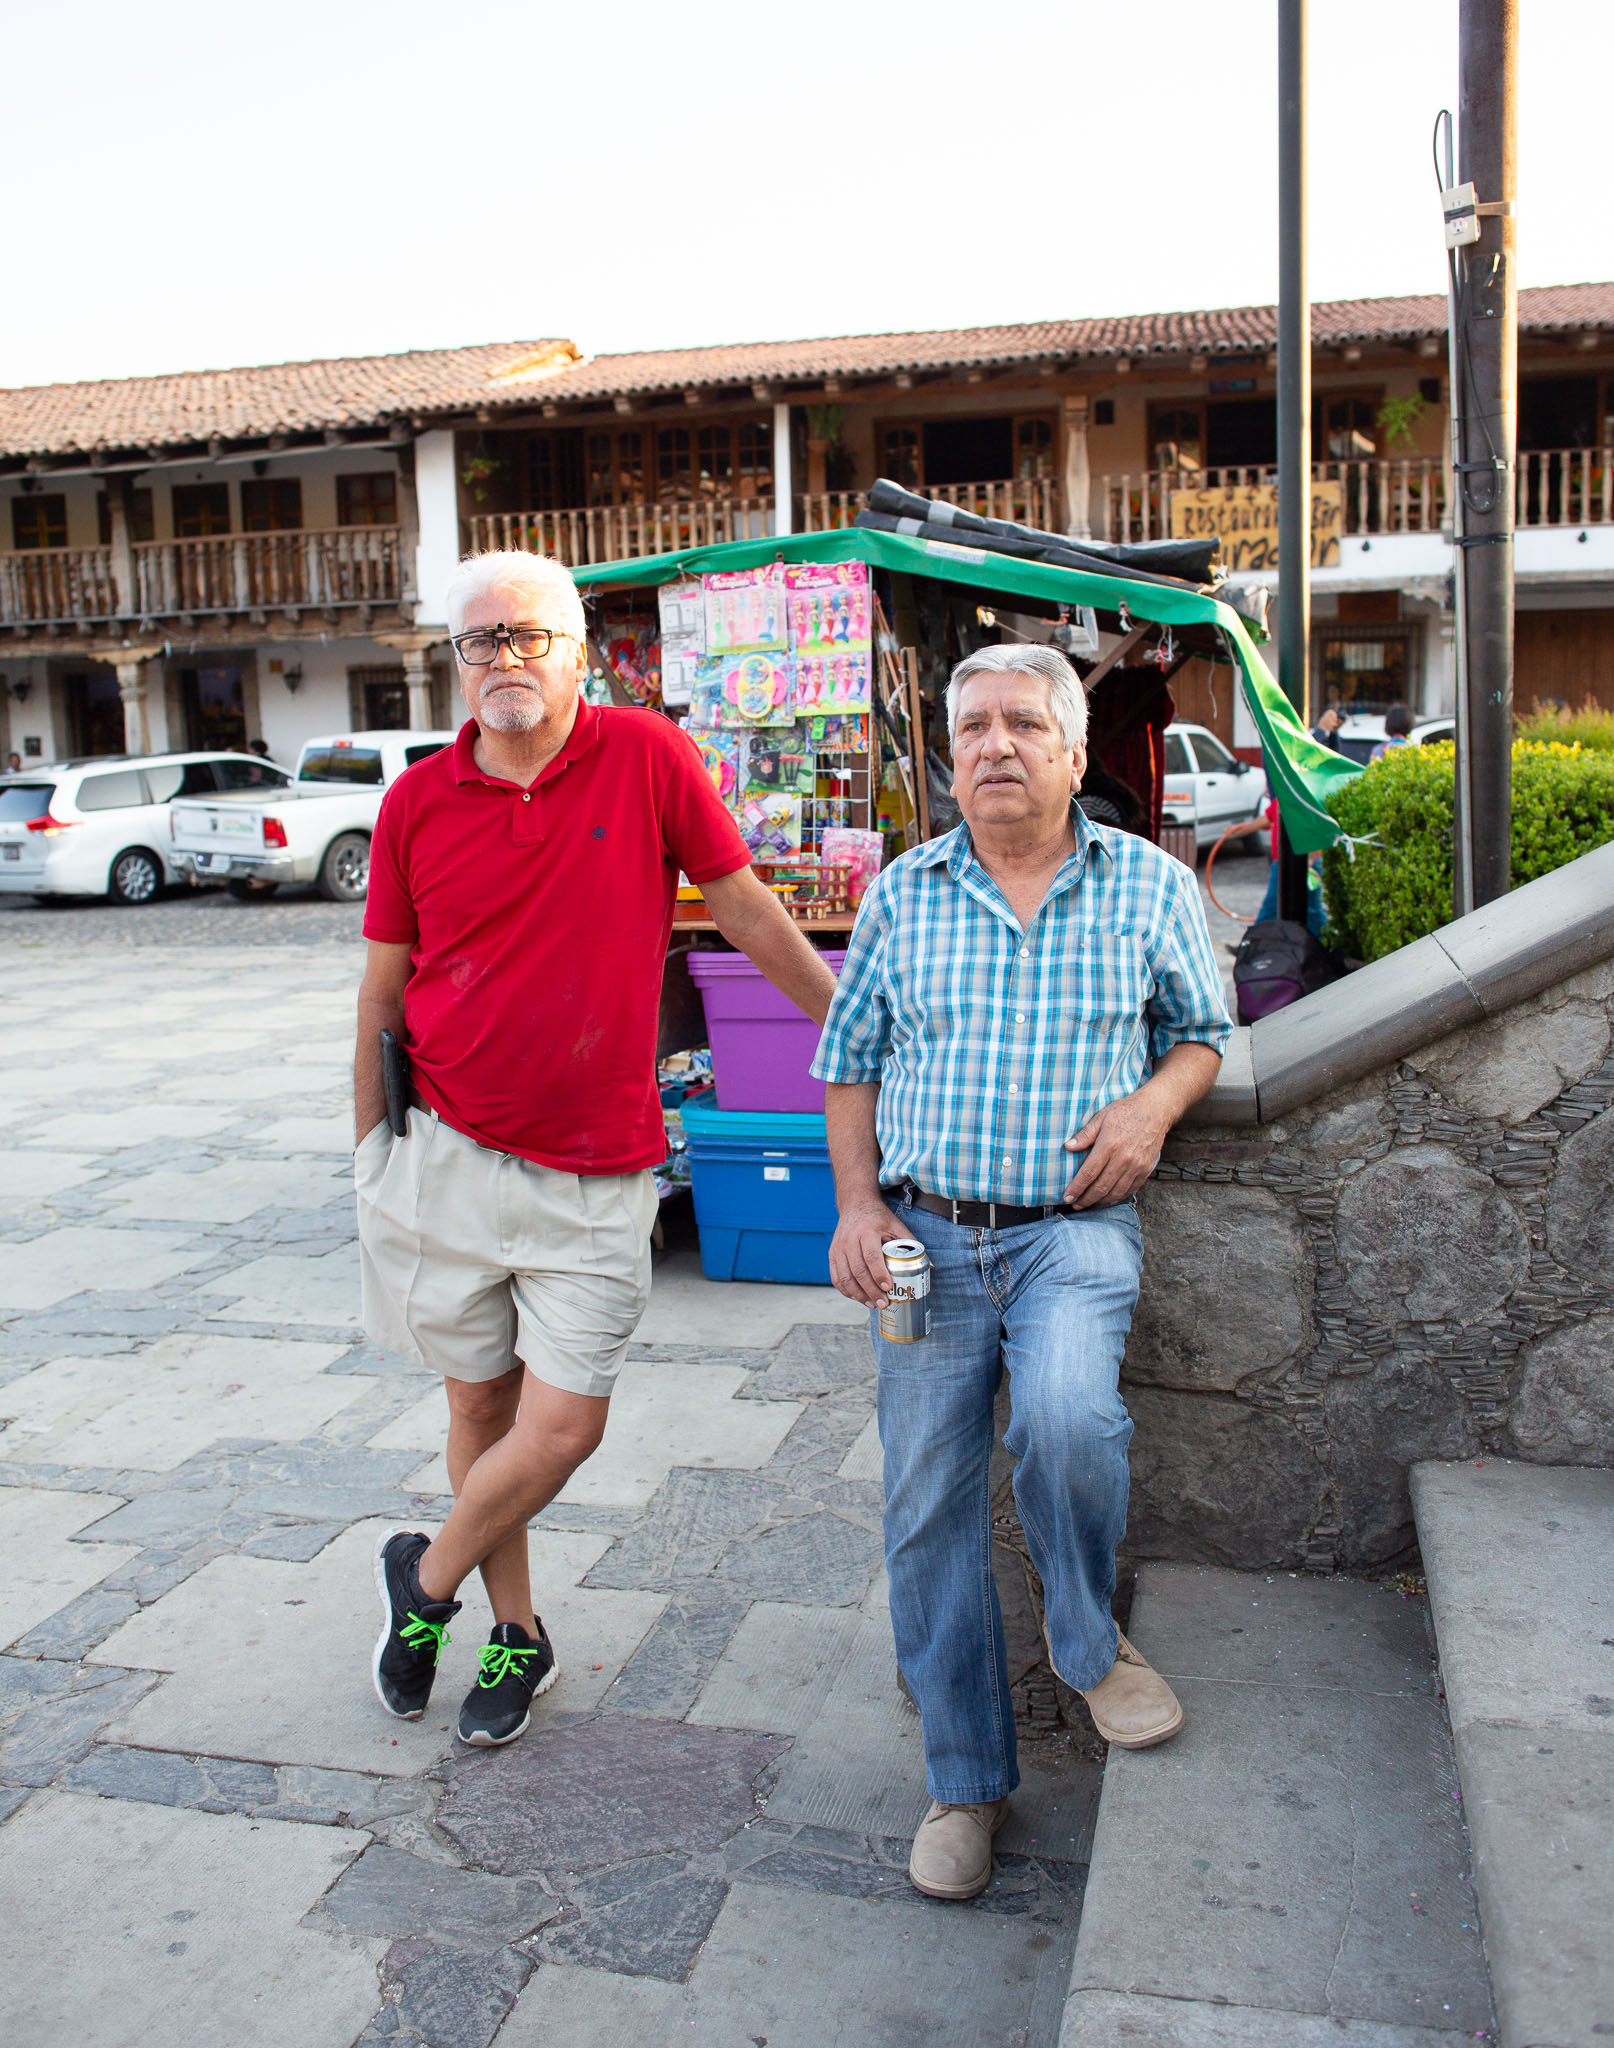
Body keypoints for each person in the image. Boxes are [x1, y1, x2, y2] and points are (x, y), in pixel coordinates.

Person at [358, 549, 836, 1748]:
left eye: (527, 634)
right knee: (481, 1402)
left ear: (577, 650)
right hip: (447, 1148)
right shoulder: (416, 800)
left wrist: (850, 1021)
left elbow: (742, 905)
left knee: (565, 1425)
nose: (503, 658)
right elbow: (382, 987)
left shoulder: (647, 755)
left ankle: (424, 1579)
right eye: (479, 640)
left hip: (598, 1162)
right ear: (456, 662)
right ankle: (514, 1631)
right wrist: (371, 1152)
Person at [813, 643, 1230, 1902]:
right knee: (926, 1501)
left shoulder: (1148, 887)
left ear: (1073, 749)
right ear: (950, 757)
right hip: (925, 1238)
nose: (996, 744)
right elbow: (849, 1061)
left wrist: (1152, 1107)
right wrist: (856, 1204)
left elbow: (1202, 1034)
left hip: (1072, 1228)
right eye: (974, 726)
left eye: (1024, 724)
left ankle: (1086, 1642)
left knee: (1067, 1418)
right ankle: (964, 1781)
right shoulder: (902, 894)